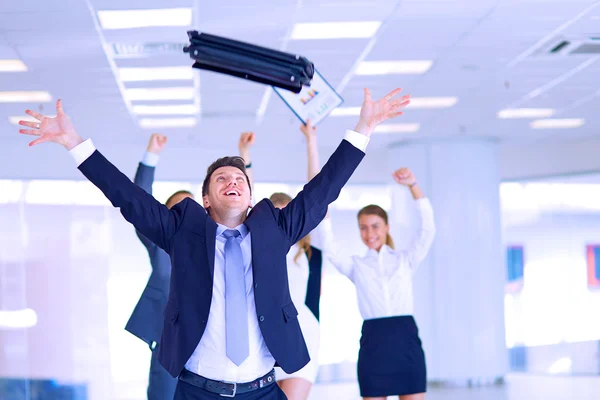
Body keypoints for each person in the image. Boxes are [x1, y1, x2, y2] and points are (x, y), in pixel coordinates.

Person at [18, 87, 410, 400]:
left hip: (263, 390)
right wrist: (74, 143)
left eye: (240, 179)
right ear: (206, 199)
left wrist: (363, 129)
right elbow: (127, 197)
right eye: (222, 179)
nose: (232, 182)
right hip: (198, 390)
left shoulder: (276, 229)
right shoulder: (181, 231)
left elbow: (323, 190)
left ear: (252, 197)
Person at [321, 167, 435, 400]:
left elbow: (427, 230)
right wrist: (324, 202)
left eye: (375, 226)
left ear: (386, 227)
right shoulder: (357, 266)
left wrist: (414, 186)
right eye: (363, 227)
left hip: (406, 342)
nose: (369, 233)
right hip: (374, 342)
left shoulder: (405, 260)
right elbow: (329, 245)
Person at [237, 120, 325, 400]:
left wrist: (311, 142)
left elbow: (317, 190)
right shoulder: (258, 247)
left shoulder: (312, 248)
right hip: (264, 339)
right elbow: (245, 201)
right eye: (276, 214)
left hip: (303, 337)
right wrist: (244, 155)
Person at [125, 133, 193, 400]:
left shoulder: (216, 246)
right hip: (168, 346)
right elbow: (138, 200)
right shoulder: (160, 243)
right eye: (178, 208)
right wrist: (151, 154)